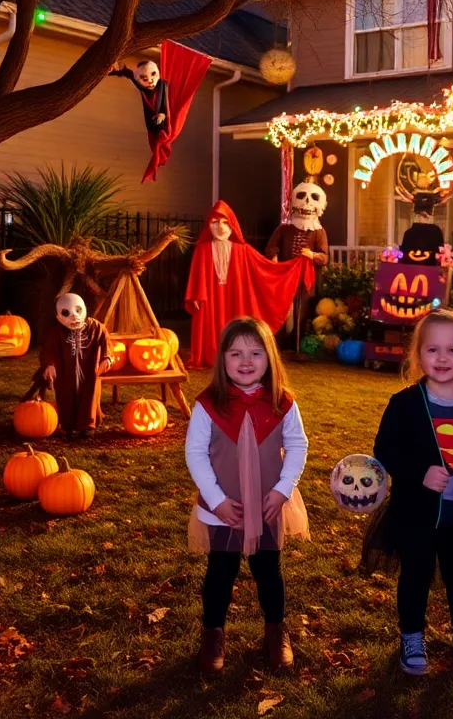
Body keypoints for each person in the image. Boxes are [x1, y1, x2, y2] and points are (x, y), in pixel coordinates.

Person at [361, 308, 453, 677]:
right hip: (417, 513)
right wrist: (418, 473)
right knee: (415, 574)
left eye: (452, 350)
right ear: (417, 354)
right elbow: (385, 450)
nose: (442, 359)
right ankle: (411, 635)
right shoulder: (406, 404)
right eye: (432, 350)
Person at [185, 316, 310, 675]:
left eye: (256, 352)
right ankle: (213, 635)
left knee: (269, 571)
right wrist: (217, 500)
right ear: (222, 359)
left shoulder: (282, 403)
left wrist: (283, 490)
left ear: (270, 358)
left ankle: (275, 633)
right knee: (220, 572)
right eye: (236, 353)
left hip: (268, 504)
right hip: (223, 507)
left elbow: (298, 446)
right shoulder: (208, 405)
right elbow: (195, 453)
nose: (245, 361)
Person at [185, 201, 315, 368]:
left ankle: (234, 356)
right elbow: (197, 275)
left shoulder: (242, 250)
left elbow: (265, 268)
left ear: (232, 225)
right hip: (210, 298)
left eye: (225, 223)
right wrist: (195, 294)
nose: (221, 228)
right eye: (215, 222)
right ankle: (211, 356)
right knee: (211, 326)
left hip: (235, 298)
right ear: (208, 225)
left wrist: (294, 265)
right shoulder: (202, 250)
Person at [37, 292, 112, 437]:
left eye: (78, 310)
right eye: (66, 313)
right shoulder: (57, 333)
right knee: (66, 396)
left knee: (89, 396)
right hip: (65, 372)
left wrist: (107, 357)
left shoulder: (96, 328)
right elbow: (48, 350)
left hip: (90, 370)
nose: (74, 316)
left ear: (84, 309)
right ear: (59, 317)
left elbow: (106, 341)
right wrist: (50, 365)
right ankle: (69, 426)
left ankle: (88, 425)